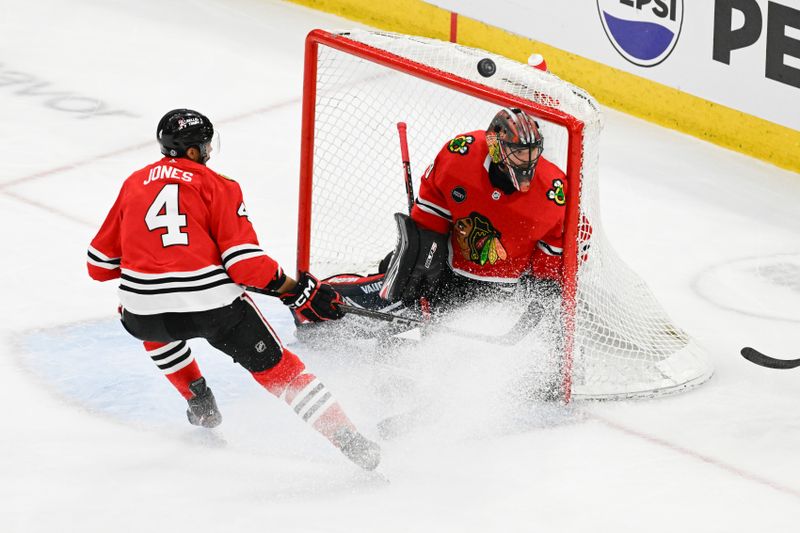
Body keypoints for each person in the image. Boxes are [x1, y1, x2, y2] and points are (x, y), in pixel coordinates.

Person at [86, 108, 380, 471]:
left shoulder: (134, 183)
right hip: (215, 310)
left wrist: (152, 260)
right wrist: (298, 290)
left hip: (146, 318)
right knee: (283, 371)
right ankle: (348, 440)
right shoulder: (218, 185)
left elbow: (98, 266)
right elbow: (245, 266)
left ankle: (199, 400)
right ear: (194, 151)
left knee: (143, 306)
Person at [333, 107, 573, 316]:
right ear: (496, 148)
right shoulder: (461, 154)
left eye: (532, 151)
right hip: (447, 265)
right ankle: (327, 301)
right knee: (397, 279)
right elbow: (431, 208)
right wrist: (424, 248)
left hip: (503, 289)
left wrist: (543, 285)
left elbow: (562, 241)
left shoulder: (554, 190)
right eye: (519, 152)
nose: (529, 160)